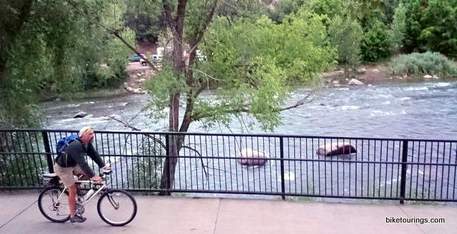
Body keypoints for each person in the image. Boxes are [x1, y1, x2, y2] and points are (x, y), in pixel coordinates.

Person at [54, 127, 110, 223]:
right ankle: (73, 215)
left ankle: (79, 196)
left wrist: (104, 166)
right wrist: (93, 176)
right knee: (72, 189)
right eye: (89, 134)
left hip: (72, 164)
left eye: (93, 133)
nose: (92, 136)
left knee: (87, 174)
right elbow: (83, 163)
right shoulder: (75, 145)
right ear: (82, 135)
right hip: (63, 168)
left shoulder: (87, 144)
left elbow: (94, 155)